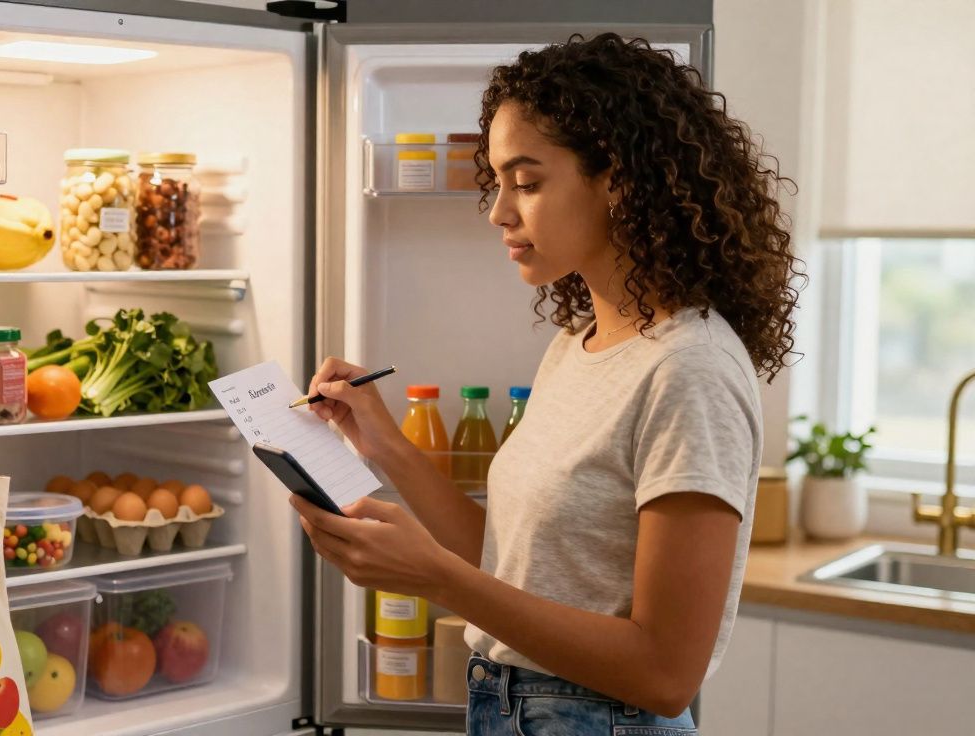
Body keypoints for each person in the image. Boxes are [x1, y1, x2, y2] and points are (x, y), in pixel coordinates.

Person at [289, 33, 803, 735]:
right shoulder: (579, 345)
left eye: (526, 183)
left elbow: (664, 672)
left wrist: (436, 578)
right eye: (497, 183)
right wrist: (384, 447)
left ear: (620, 179)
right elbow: (516, 564)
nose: (499, 211)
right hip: (513, 709)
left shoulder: (690, 369)